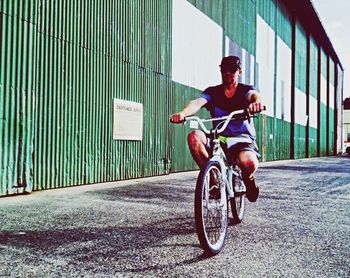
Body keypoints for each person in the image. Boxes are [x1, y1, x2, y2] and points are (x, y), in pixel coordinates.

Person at [170, 56, 264, 202]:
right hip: (219, 137)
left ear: (239, 71)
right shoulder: (213, 92)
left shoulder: (245, 90)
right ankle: (214, 181)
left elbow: (254, 95)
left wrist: (256, 103)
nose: (228, 73)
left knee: (249, 163)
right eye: (225, 69)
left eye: (232, 69)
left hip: (241, 139)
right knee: (194, 137)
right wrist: (182, 114)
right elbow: (197, 103)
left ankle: (248, 178)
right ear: (221, 71)